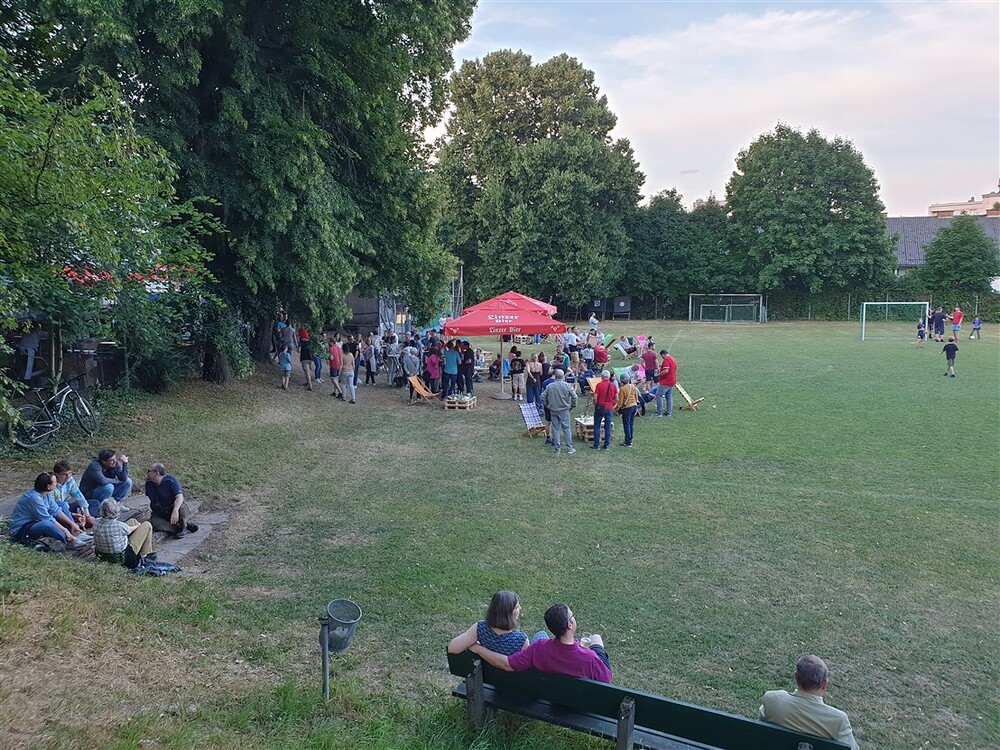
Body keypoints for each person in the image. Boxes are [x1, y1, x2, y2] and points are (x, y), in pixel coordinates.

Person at [470, 602, 612, 683]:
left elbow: (507, 664)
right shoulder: (590, 658)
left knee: (540, 634)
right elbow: (606, 680)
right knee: (596, 638)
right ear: (569, 625)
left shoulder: (538, 648)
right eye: (572, 616)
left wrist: (478, 648)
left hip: (553, 698)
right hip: (578, 707)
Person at [759, 655, 859, 750]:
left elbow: (760, 727)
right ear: (824, 684)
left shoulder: (772, 699)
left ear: (796, 676)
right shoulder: (838, 720)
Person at [9, 473, 88, 549]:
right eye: (55, 482)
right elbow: (47, 518)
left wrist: (72, 523)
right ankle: (70, 540)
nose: (56, 483)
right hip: (23, 529)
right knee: (47, 524)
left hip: (35, 522)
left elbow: (55, 510)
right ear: (48, 486)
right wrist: (65, 531)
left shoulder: (47, 494)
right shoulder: (34, 498)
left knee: (61, 504)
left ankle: (76, 532)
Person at [448, 591, 529, 656]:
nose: (520, 608)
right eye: (517, 607)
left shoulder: (480, 629)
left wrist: (476, 647)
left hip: (484, 672)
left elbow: (452, 648)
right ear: (508, 613)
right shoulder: (521, 640)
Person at [144, 463, 198, 538]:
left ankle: (183, 525)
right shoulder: (149, 483)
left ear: (156, 473)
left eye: (149, 471)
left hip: (172, 508)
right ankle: (177, 529)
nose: (147, 472)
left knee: (182, 509)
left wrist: (175, 510)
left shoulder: (171, 481)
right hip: (160, 512)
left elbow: (179, 497)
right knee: (155, 523)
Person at [93, 499, 155, 565]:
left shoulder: (96, 522)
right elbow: (130, 529)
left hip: (102, 556)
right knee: (147, 525)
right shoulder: (118, 526)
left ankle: (143, 551)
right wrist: (139, 525)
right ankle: (145, 556)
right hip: (123, 559)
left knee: (132, 521)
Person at [79, 449, 133, 515]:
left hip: (105, 490)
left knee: (128, 481)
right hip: (90, 492)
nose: (115, 461)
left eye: (115, 458)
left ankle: (115, 505)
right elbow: (103, 480)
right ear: (103, 461)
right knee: (109, 487)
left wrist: (125, 464)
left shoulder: (114, 463)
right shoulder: (94, 466)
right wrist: (116, 481)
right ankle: (102, 509)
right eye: (111, 460)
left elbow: (123, 478)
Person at [541, 369, 578, 455]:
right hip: (564, 409)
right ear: (563, 376)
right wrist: (572, 406)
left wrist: (547, 405)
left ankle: (557, 449)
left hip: (553, 410)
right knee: (566, 428)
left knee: (555, 429)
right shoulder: (567, 386)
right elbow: (575, 397)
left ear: (555, 376)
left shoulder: (550, 386)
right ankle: (569, 448)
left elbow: (542, 397)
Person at [52, 460, 94, 530]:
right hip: (58, 511)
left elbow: (79, 497)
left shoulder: (70, 480)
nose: (68, 476)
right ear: (56, 474)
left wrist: (87, 515)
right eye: (64, 474)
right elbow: (52, 507)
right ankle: (74, 525)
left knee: (94, 503)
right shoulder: (51, 484)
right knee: (61, 505)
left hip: (67, 507)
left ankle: (84, 520)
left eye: (70, 473)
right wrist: (72, 514)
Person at [591, 370, 618, 451]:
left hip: (600, 407)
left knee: (597, 425)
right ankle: (606, 445)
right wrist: (612, 404)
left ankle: (596, 444)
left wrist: (596, 405)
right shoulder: (613, 386)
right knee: (608, 426)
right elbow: (617, 399)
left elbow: (595, 397)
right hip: (609, 407)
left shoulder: (599, 385)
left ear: (602, 377)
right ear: (609, 377)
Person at [615, 373, 640, 448]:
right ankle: (630, 440)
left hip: (627, 408)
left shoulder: (622, 389)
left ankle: (628, 442)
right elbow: (636, 397)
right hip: (634, 406)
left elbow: (620, 402)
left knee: (626, 425)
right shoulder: (633, 386)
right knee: (631, 424)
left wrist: (616, 409)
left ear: (621, 381)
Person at [652, 349, 677, 417]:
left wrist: (658, 375)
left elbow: (666, 371)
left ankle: (659, 413)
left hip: (666, 382)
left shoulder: (666, 360)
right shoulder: (673, 359)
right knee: (669, 397)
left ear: (663, 354)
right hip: (672, 381)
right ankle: (668, 412)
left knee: (658, 395)